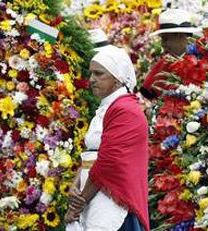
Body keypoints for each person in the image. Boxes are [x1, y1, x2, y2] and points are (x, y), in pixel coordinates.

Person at [65, 45, 150, 231]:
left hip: (113, 199)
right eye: (91, 74)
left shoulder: (126, 110)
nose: (91, 80)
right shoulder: (109, 107)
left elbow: (108, 163)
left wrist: (77, 205)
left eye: (99, 74)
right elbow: (91, 154)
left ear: (118, 79)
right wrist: (76, 184)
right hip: (93, 192)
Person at [140, 9, 201, 100]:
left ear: (180, 35)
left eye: (165, 39)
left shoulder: (202, 58)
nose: (163, 45)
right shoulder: (164, 64)